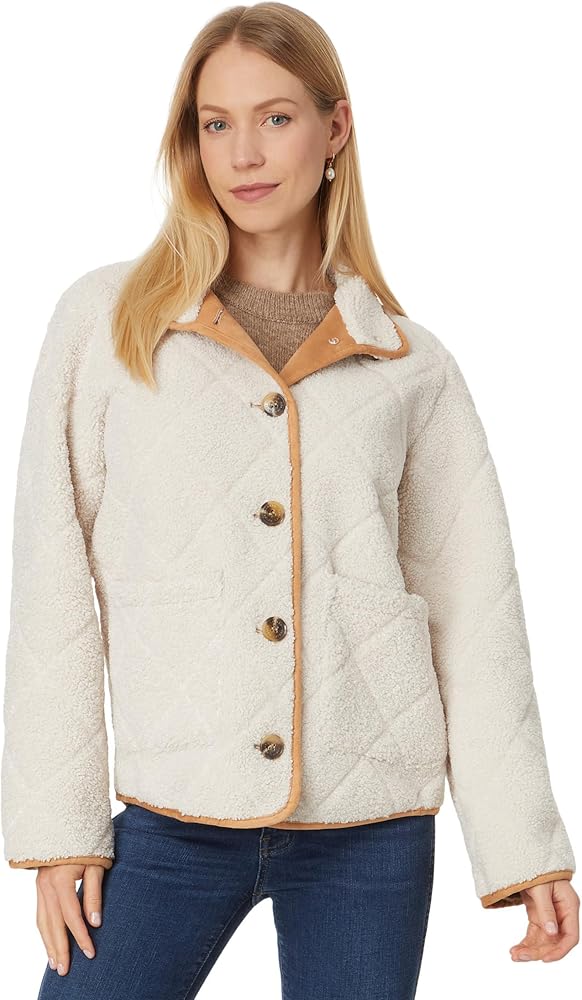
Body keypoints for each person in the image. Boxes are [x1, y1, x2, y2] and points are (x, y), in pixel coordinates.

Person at [1, 3, 579, 998]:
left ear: (335, 128)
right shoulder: (111, 324)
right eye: (214, 123)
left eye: (275, 117)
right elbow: (51, 579)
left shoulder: (411, 364)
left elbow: (477, 615)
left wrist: (524, 845)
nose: (243, 153)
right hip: (173, 813)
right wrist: (61, 828)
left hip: (371, 827)